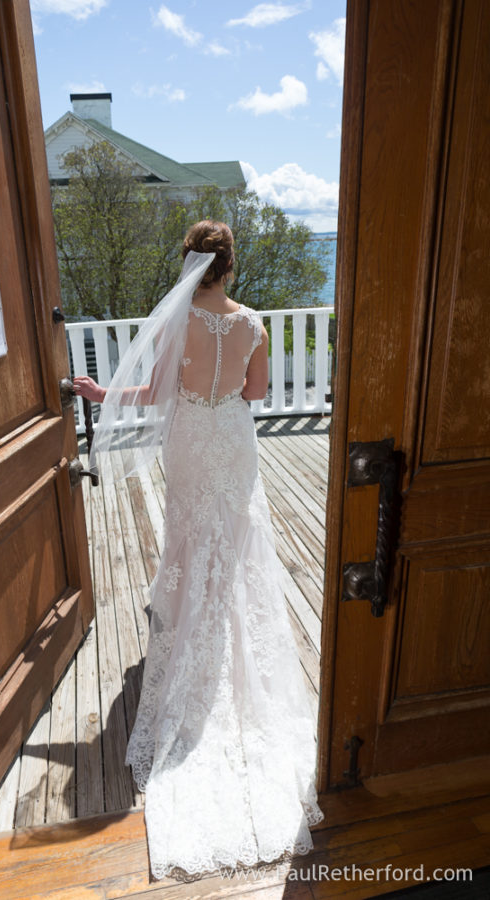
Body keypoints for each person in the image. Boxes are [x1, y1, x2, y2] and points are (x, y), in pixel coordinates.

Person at [73, 220, 324, 881]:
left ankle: (189, 615)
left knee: (188, 530)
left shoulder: (179, 320)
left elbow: (156, 392)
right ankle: (227, 618)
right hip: (233, 440)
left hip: (190, 439)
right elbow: (256, 394)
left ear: (190, 264)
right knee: (232, 535)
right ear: (231, 265)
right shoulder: (253, 324)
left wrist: (102, 395)